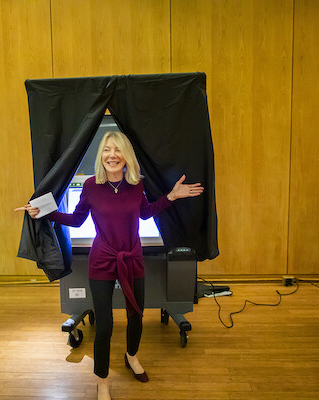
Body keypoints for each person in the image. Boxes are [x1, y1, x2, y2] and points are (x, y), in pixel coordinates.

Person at [15, 131, 203, 400]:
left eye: (117, 150)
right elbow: (78, 219)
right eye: (106, 150)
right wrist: (45, 212)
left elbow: (145, 212)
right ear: (101, 156)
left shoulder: (137, 184)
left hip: (132, 257)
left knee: (136, 315)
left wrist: (171, 196)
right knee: (104, 325)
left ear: (126, 156)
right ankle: (102, 380)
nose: (112, 155)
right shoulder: (91, 186)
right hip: (102, 259)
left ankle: (131, 355)